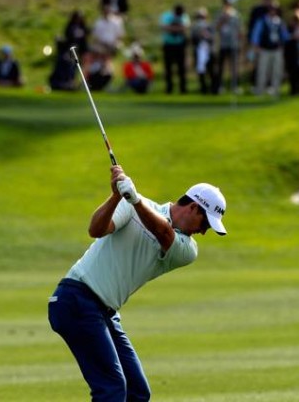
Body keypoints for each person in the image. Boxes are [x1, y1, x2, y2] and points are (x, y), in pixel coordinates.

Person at [48, 166, 227, 402]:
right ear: (193, 207)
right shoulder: (133, 205)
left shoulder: (188, 249)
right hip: (76, 298)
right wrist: (116, 197)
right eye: (205, 225)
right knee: (111, 389)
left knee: (137, 392)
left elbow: (163, 232)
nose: (203, 233)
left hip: (104, 312)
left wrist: (134, 200)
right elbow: (96, 230)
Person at [160, 4, 189, 94]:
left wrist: (172, 28)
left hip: (180, 45)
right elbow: (164, 27)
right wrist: (177, 29)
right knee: (168, 68)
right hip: (168, 44)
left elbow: (185, 27)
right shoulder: (166, 16)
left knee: (182, 68)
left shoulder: (184, 16)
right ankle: (169, 87)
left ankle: (183, 88)